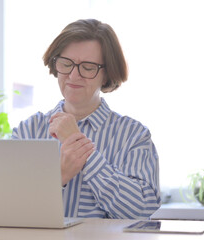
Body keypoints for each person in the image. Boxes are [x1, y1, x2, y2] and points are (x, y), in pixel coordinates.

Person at [12, 19, 161, 219]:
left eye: (88, 67)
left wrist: (82, 148)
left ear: (107, 74)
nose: (73, 76)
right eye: (66, 64)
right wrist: (58, 177)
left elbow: (140, 210)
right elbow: (8, 207)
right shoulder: (28, 131)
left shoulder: (134, 135)